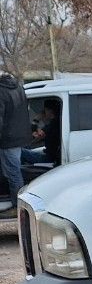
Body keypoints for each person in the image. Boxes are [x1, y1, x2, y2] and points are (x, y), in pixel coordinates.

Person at [0, 71, 30, 216]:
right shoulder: (18, 87)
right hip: (19, 137)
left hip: (7, 139)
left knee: (13, 174)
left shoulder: (1, 91)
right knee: (14, 171)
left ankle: (18, 207)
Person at [23, 100, 61, 166]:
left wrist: (36, 119)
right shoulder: (57, 122)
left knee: (19, 152)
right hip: (51, 154)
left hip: (49, 158)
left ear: (50, 111)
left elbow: (35, 137)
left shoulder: (53, 125)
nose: (43, 112)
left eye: (45, 110)